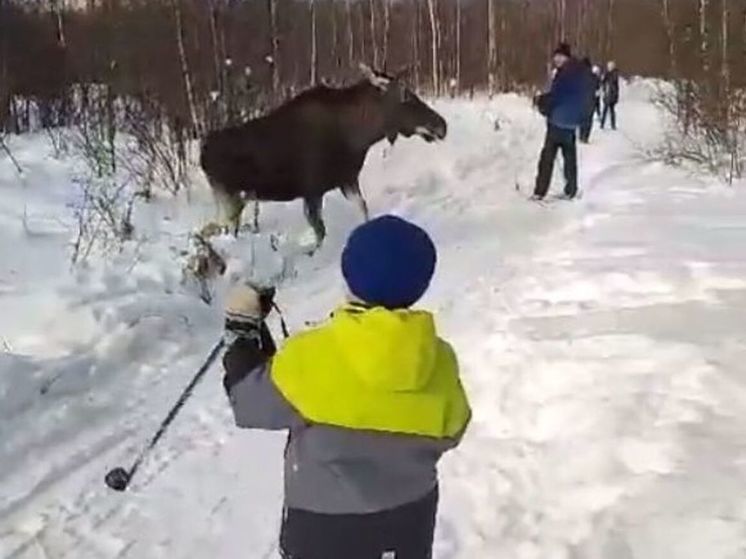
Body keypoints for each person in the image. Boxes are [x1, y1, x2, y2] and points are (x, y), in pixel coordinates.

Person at [221, 215, 472, 559]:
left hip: (323, 529)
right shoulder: (439, 358)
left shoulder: (314, 353)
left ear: (349, 278)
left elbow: (248, 401)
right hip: (409, 523)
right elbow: (454, 428)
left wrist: (242, 330)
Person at [533, 42, 587, 201]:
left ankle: (540, 191)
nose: (556, 59)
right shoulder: (579, 72)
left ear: (565, 57)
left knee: (547, 157)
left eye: (558, 56)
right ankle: (571, 189)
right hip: (572, 122)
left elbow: (557, 96)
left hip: (558, 121)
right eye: (555, 57)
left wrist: (541, 102)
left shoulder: (564, 74)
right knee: (569, 157)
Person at [578, 57, 601, 144]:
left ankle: (581, 134)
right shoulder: (594, 77)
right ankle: (585, 136)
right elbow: (597, 88)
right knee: (588, 119)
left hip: (581, 100)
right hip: (591, 100)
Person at [601, 60, 620, 130]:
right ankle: (603, 124)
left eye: (610, 67)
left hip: (611, 94)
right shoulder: (607, 74)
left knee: (610, 110)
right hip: (608, 93)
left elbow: (616, 85)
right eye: (608, 66)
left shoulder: (614, 74)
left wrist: (616, 95)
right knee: (606, 109)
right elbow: (603, 82)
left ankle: (612, 124)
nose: (609, 68)